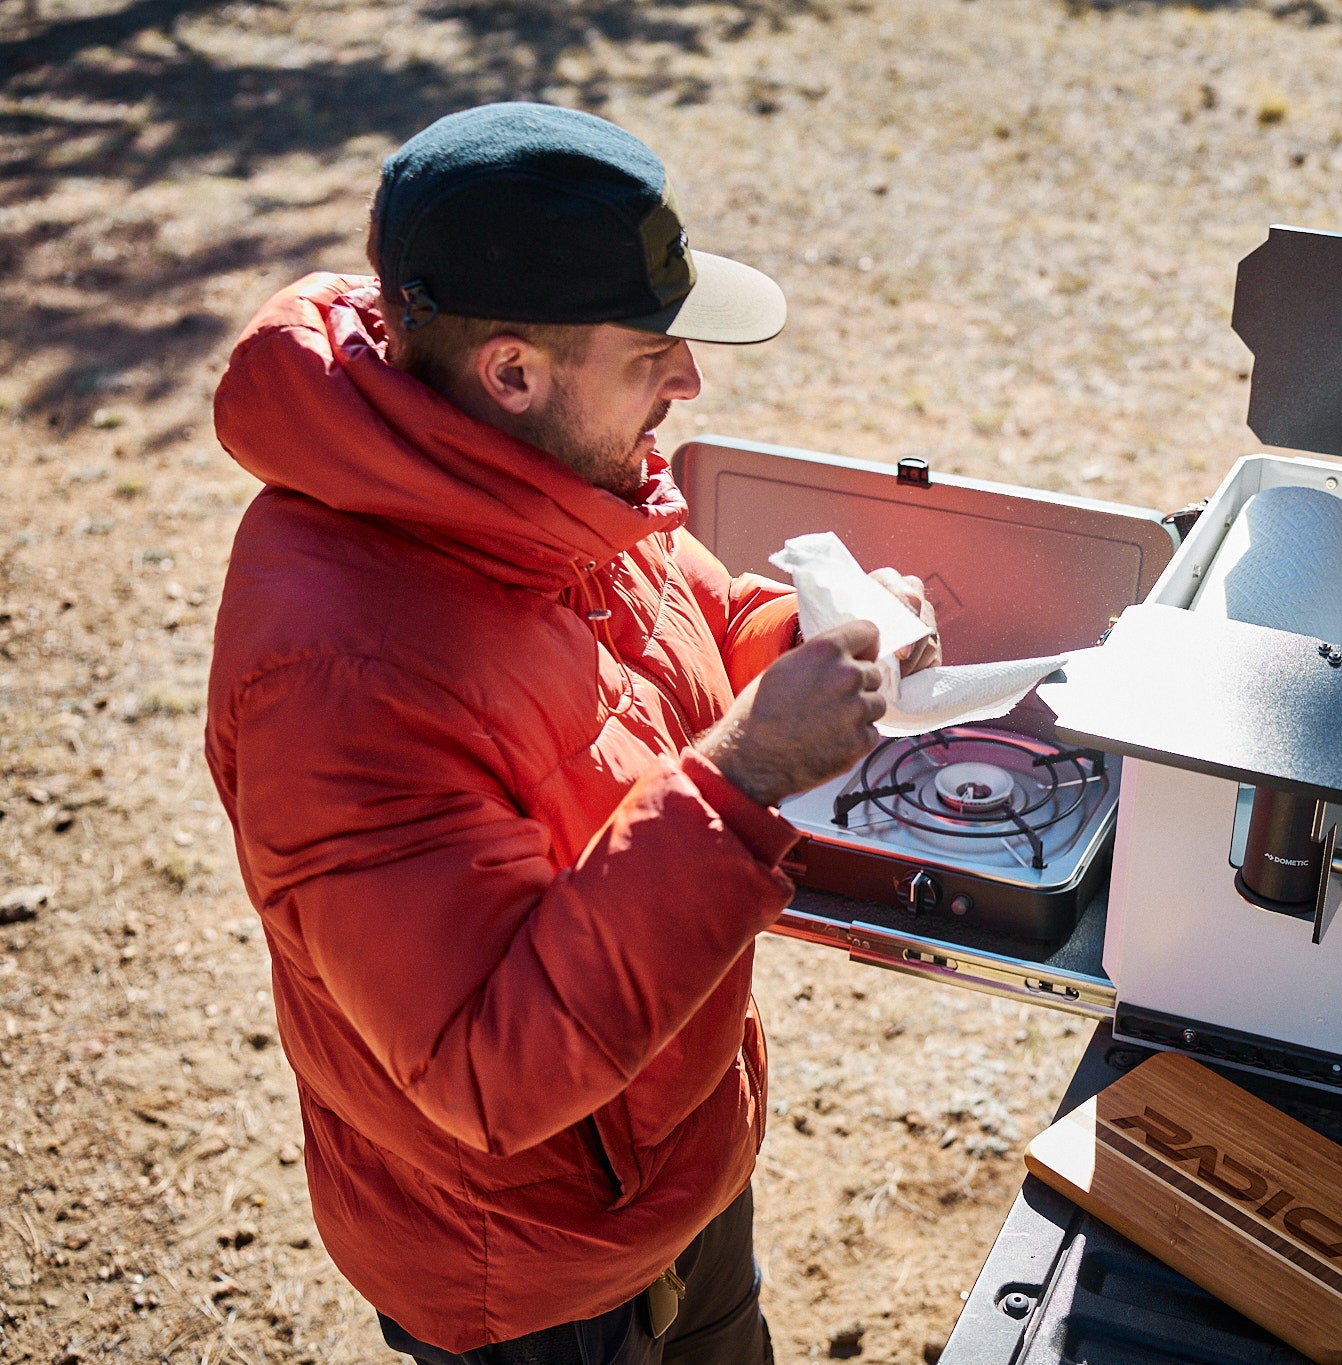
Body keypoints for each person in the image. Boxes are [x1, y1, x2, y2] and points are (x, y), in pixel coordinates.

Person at [204, 102, 938, 1365]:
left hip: (661, 1160)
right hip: (528, 1271)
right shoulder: (336, 673)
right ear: (511, 370)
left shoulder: (541, 474)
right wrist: (751, 766)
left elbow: (689, 612)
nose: (689, 379)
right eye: (654, 347)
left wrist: (816, 639)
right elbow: (489, 1070)